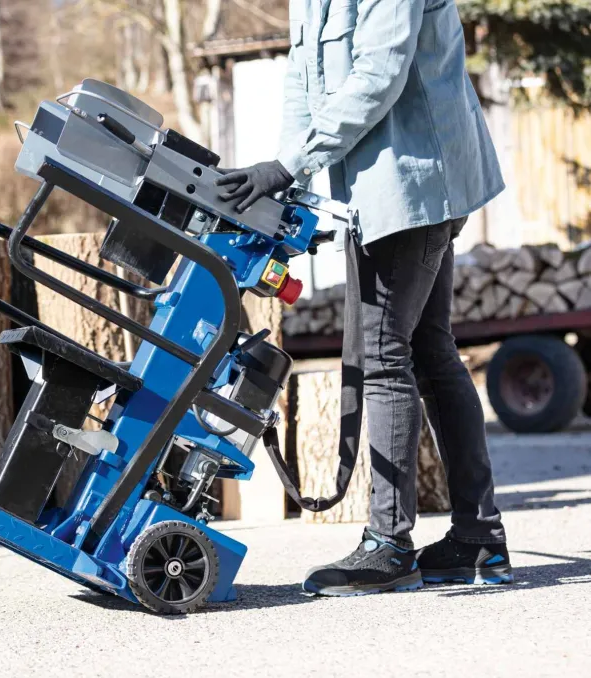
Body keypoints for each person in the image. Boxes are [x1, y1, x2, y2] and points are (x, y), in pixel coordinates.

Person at [215, 0, 513, 596]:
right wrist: (289, 183)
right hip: (382, 187)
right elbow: (303, 76)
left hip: (412, 181)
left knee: (383, 355)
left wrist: (290, 164)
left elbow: (380, 72)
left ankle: (389, 545)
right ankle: (478, 538)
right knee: (430, 350)